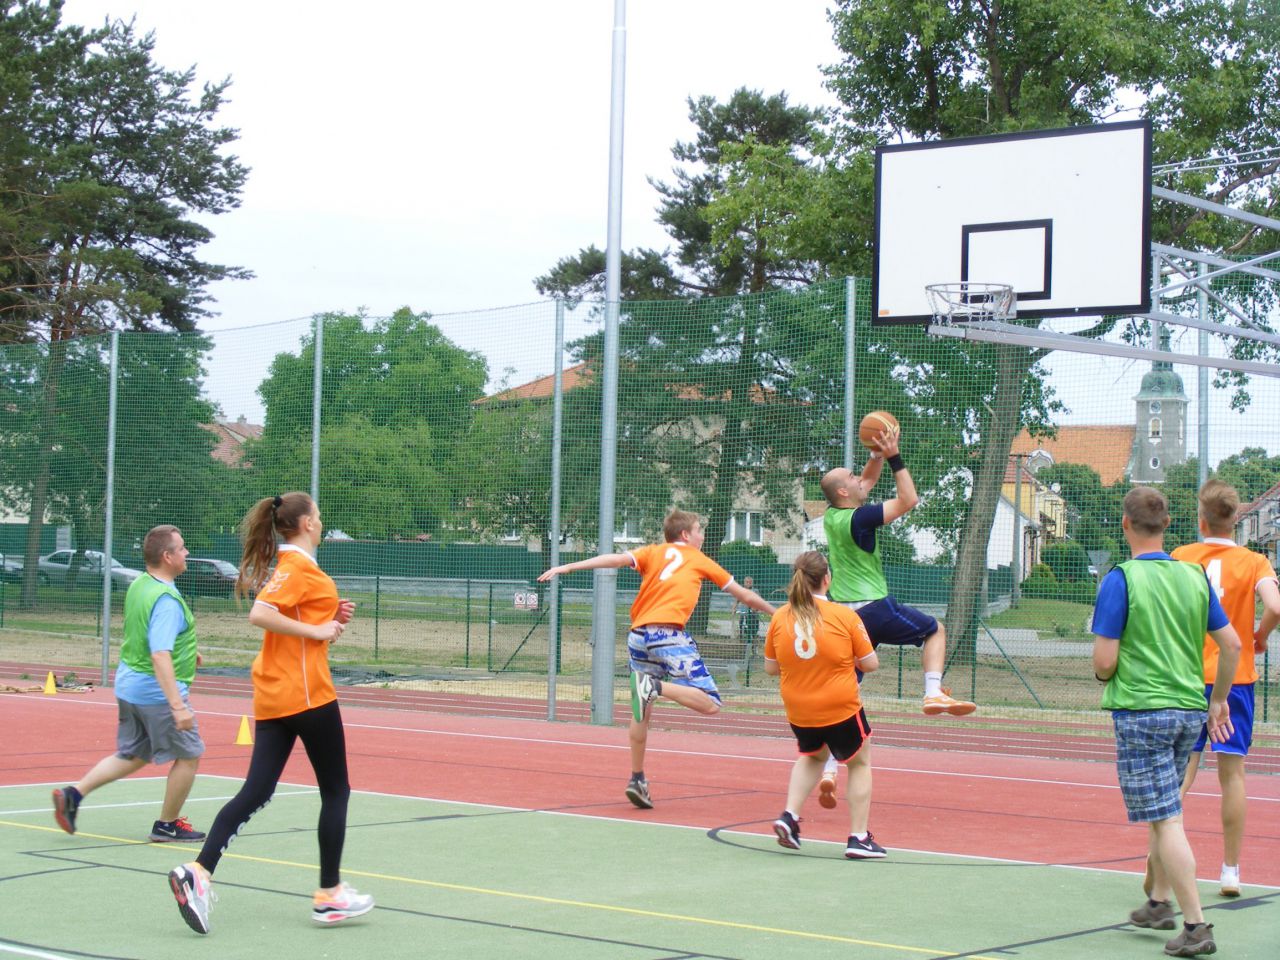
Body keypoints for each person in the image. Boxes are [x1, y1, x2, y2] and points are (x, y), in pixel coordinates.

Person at [168, 493, 372, 935]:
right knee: (336, 791)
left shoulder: (294, 567)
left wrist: (328, 619)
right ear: (307, 524)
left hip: (275, 694)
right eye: (319, 515)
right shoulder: (297, 567)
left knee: (257, 791)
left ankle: (198, 872)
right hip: (307, 695)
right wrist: (317, 628)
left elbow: (292, 623)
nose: (321, 521)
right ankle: (330, 895)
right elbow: (261, 613)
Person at [538, 509, 775, 809]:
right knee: (711, 702)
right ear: (686, 535)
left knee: (642, 712)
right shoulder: (697, 558)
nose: (703, 535)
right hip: (668, 635)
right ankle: (654, 687)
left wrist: (569, 566)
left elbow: (614, 559)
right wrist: (778, 613)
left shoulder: (652, 552)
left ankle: (637, 778)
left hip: (638, 637)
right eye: (699, 530)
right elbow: (745, 597)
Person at [1091, 486, 1240, 959]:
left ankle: (1195, 924)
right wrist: (1219, 700)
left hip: (1142, 711)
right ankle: (1158, 902)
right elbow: (1232, 644)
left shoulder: (1122, 579)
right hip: (1188, 710)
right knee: (1165, 810)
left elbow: (1105, 663)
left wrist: (1105, 673)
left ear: (1125, 524)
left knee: (1167, 818)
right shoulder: (1193, 575)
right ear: (1168, 524)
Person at [815, 428, 974, 806]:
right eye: (852, 477)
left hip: (843, 616)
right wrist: (894, 456)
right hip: (874, 608)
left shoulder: (832, 516)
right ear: (844, 492)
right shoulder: (860, 519)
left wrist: (875, 455)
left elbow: (867, 482)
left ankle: (829, 769)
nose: (859, 478)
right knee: (935, 630)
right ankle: (932, 692)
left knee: (846, 692)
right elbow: (909, 499)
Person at [52, 525, 206, 842]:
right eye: (182, 548)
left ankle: (73, 795)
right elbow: (159, 653)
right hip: (156, 693)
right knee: (189, 755)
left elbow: (146, 632)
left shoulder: (140, 584)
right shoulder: (167, 600)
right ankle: (167, 825)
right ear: (168, 556)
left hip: (129, 686)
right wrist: (177, 706)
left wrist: (188, 652)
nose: (187, 552)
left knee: (133, 754)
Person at [1170, 479, 1280, 898]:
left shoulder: (1181, 557)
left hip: (1186, 678)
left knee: (1181, 773)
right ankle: (1231, 871)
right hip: (1234, 681)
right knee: (1232, 775)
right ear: (1236, 519)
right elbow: (1275, 606)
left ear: (1202, 519)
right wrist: (1260, 636)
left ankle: (1162, 860)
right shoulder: (1254, 561)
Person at [765, 552, 884, 859]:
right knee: (859, 763)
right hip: (839, 705)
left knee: (813, 756)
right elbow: (870, 664)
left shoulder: (780, 616)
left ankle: (789, 816)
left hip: (798, 708)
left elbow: (770, 668)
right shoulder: (844, 616)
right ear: (826, 579)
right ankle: (859, 838)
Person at [732, 575, 762, 649]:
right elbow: (736, 601)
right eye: (747, 582)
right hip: (743, 612)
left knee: (754, 629)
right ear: (744, 583)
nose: (748, 583)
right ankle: (741, 642)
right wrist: (734, 609)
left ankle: (754, 644)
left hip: (753, 613)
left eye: (750, 582)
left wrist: (756, 608)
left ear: (752, 583)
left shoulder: (755, 591)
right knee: (741, 625)